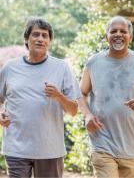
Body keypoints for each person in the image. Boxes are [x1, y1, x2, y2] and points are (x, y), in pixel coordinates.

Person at [78, 16, 134, 178]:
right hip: (102, 144)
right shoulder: (93, 63)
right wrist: (87, 115)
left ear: (130, 37)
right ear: (106, 36)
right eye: (113, 31)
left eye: (123, 31)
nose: (118, 34)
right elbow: (81, 93)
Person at [0, 17, 81, 177]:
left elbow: (73, 110)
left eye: (45, 35)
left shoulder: (62, 67)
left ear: (49, 41)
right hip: (16, 148)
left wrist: (59, 96)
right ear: (26, 39)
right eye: (35, 34)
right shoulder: (10, 67)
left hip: (50, 150)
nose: (40, 39)